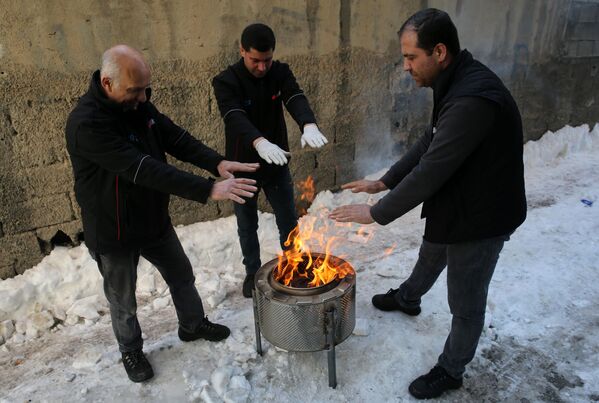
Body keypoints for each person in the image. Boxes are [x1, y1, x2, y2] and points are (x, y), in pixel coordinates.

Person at [330, 9, 526, 400]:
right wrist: (384, 181)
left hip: (484, 214)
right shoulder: (454, 81)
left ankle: (451, 370)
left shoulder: (472, 98)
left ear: (439, 52)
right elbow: (429, 141)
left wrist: (377, 212)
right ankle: (408, 298)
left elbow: (432, 169)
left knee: (466, 300)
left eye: (410, 57)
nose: (405, 66)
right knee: (432, 250)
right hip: (459, 196)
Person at [65, 45, 259, 383]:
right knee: (123, 300)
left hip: (153, 220)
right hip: (113, 231)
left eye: (145, 89)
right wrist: (207, 188)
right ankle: (131, 349)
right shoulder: (86, 125)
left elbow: (174, 137)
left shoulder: (137, 103)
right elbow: (142, 168)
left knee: (182, 274)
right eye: (135, 90)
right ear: (107, 83)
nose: (142, 98)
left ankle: (192, 324)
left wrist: (216, 162)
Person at [212, 23, 328, 298]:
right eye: (255, 60)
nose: (262, 67)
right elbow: (233, 116)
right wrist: (258, 141)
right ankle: (252, 271)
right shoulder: (226, 81)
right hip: (243, 165)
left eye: (267, 60)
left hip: (276, 162)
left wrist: (308, 123)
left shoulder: (280, 72)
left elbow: (295, 96)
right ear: (242, 51)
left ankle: (296, 265)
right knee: (246, 222)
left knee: (288, 218)